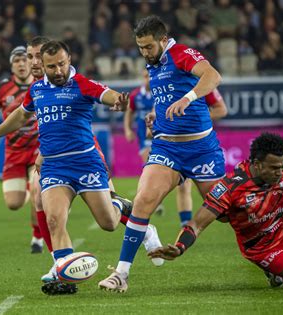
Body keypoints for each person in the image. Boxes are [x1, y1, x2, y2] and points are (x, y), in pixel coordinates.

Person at [0, 41, 162, 295]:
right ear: (43, 65)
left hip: (86, 163)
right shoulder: (37, 89)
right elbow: (21, 116)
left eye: (62, 64)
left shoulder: (81, 83)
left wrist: (118, 101)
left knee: (108, 223)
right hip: (54, 166)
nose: (58, 70)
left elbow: (107, 95)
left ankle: (120, 205)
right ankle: (65, 275)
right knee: (54, 220)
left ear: (69, 59)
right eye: (52, 66)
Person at [99, 15, 224, 292]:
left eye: (148, 47)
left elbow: (213, 75)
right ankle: (121, 274)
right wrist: (157, 116)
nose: (144, 53)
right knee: (143, 200)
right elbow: (167, 96)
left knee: (227, 211)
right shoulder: (153, 63)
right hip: (167, 146)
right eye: (140, 47)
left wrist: (188, 98)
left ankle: (267, 260)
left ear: (163, 41)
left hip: (202, 149)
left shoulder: (180, 54)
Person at [149, 132, 283, 290]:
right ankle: (280, 277)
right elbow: (197, 224)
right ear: (256, 164)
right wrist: (179, 247)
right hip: (264, 248)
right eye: (274, 168)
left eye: (281, 166)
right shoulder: (230, 187)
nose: (280, 172)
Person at [125, 72, 228, 225]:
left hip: (199, 145)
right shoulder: (160, 87)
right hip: (167, 142)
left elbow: (221, 109)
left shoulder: (204, 84)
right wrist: (136, 127)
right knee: (180, 185)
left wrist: (195, 118)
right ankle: (182, 222)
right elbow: (139, 112)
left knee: (221, 210)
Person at [0, 44, 45, 253]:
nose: (22, 64)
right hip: (14, 152)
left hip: (38, 150)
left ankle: (37, 238)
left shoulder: (43, 83)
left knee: (37, 190)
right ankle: (25, 189)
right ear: (11, 66)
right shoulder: (2, 88)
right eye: (17, 60)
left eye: (25, 59)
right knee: (13, 204)